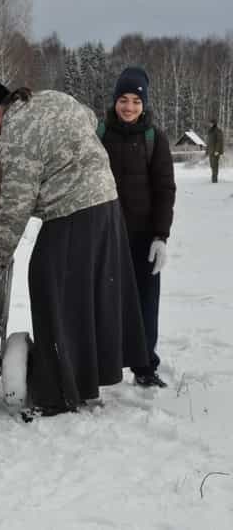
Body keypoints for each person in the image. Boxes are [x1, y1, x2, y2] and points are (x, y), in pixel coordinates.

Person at [0, 76, 149, 420]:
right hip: (106, 205)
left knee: (49, 287)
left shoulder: (16, 135)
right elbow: (90, 118)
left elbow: (16, 208)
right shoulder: (50, 98)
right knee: (89, 293)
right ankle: (89, 377)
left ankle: (61, 392)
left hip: (72, 211)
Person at [99, 67, 176, 388]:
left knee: (146, 302)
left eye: (135, 101)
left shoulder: (153, 138)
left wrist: (161, 236)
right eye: (123, 100)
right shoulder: (99, 134)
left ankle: (145, 366)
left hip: (143, 236)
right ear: (115, 101)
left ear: (144, 104)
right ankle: (103, 363)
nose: (129, 107)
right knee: (104, 301)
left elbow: (165, 189)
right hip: (105, 234)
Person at [207, 119, 224, 183]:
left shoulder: (218, 131)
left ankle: (214, 179)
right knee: (212, 165)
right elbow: (208, 142)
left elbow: (219, 141)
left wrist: (217, 151)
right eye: (210, 123)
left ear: (214, 123)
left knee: (215, 165)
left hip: (215, 152)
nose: (210, 124)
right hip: (210, 151)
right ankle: (214, 178)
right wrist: (207, 151)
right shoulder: (210, 131)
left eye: (211, 123)